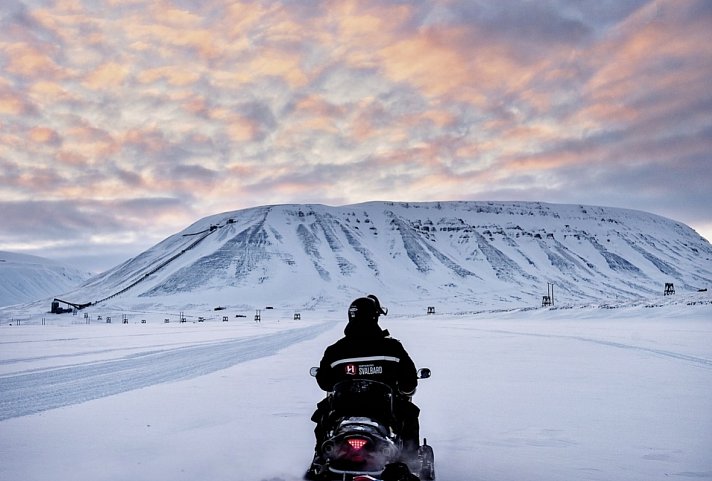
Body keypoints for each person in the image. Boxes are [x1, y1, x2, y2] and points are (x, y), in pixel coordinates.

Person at [311, 295, 421, 462]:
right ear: (374, 316)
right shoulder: (392, 348)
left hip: (343, 411)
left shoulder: (335, 350)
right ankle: (410, 463)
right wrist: (405, 388)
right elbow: (409, 382)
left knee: (323, 420)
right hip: (384, 411)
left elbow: (324, 382)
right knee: (409, 417)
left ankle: (320, 460)